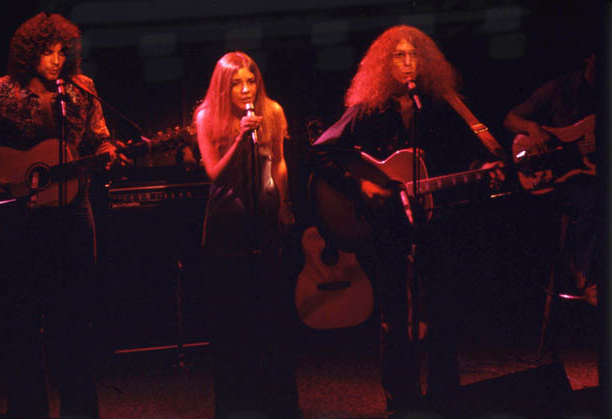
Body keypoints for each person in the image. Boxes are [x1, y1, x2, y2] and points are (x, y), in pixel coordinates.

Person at [307, 25, 505, 417]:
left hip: (434, 224)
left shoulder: (439, 105)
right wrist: (360, 185)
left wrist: (484, 167)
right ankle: (401, 400)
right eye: (398, 55)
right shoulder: (366, 109)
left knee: (442, 310)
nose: (408, 62)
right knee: (395, 317)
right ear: (384, 64)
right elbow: (319, 154)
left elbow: (459, 157)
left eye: (414, 54)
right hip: (383, 225)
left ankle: (446, 397)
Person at [0, 12, 117, 419]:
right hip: (21, 219)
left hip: (73, 213)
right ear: (28, 53)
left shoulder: (83, 91)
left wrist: (106, 153)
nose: (55, 60)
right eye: (47, 52)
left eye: (62, 52)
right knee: (23, 323)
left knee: (75, 320)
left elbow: (100, 138)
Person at [193, 51, 300, 418]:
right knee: (233, 325)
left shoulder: (273, 112)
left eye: (250, 80)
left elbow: (280, 161)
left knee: (272, 319)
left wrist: (286, 203)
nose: (245, 88)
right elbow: (214, 174)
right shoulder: (207, 116)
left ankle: (279, 405)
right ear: (224, 86)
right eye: (236, 82)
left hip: (266, 221)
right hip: (227, 227)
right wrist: (239, 139)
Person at [503, 49, 601, 308]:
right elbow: (511, 119)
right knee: (595, 199)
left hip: (590, 174)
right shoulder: (560, 88)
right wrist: (532, 128)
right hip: (556, 181)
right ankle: (584, 273)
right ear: (589, 57)